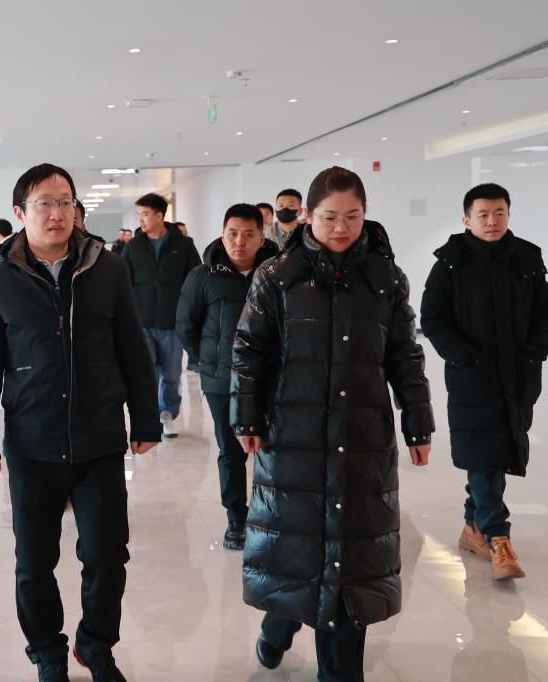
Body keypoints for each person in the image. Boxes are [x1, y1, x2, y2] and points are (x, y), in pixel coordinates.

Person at [232, 166, 434, 681]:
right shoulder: (276, 276)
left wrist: (418, 421)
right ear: (307, 216)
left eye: (352, 216)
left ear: (365, 215)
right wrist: (246, 416)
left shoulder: (385, 279)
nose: (340, 227)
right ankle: (279, 625)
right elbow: (249, 350)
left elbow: (404, 355)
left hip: (362, 437)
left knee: (350, 563)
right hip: (293, 436)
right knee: (297, 548)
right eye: (328, 217)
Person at [0, 163, 161, 682]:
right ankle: (47, 653)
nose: (57, 213)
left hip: (99, 439)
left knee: (107, 556)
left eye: (66, 202)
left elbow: (133, 349)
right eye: (45, 203)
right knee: (34, 563)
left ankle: (95, 646)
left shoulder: (107, 269)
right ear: (20, 212)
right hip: (33, 443)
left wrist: (145, 420)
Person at [420, 182, 548, 581]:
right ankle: (497, 538)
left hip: (518, 376)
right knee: (483, 456)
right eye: (483, 214)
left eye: (499, 213)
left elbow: (544, 311)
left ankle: (472, 527)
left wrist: (535, 350)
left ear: (508, 214)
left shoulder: (526, 258)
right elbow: (433, 317)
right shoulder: (450, 263)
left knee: (497, 451)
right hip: (472, 377)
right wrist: (462, 355)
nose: (492, 221)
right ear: (467, 219)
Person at [175, 203, 278, 551]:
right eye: (232, 233)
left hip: (271, 380)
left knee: (274, 449)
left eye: (249, 234)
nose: (239, 241)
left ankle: (272, 515)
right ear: (222, 235)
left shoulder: (278, 274)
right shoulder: (203, 276)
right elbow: (186, 326)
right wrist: (210, 363)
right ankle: (237, 518)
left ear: (262, 238)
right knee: (231, 451)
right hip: (223, 382)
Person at [122, 193, 201, 437]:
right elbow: (123, 283)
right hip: (142, 323)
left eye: (144, 214)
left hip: (172, 324)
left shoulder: (183, 245)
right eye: (138, 214)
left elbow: (195, 280)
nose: (140, 220)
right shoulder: (133, 246)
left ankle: (167, 414)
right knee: (147, 373)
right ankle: (148, 416)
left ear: (159, 216)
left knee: (171, 373)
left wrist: (189, 313)